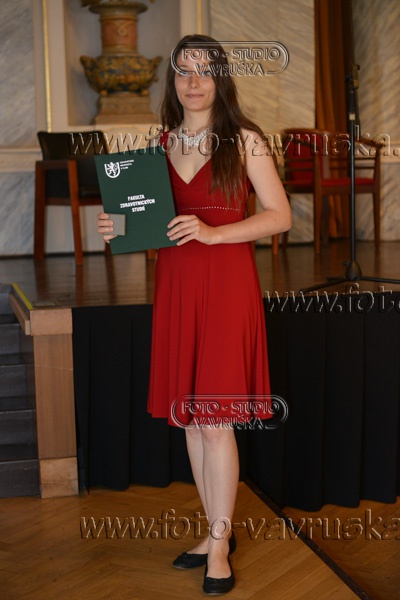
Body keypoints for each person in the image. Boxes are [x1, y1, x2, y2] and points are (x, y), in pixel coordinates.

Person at [98, 34, 291, 596]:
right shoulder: (159, 144)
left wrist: (213, 233)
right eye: (183, 70)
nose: (193, 81)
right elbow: (154, 223)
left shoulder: (245, 140)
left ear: (221, 78)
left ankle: (222, 545)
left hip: (226, 287)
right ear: (173, 81)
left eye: (204, 70)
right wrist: (118, 227)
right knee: (189, 416)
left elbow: (279, 216)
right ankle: (213, 531)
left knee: (214, 419)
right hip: (177, 288)